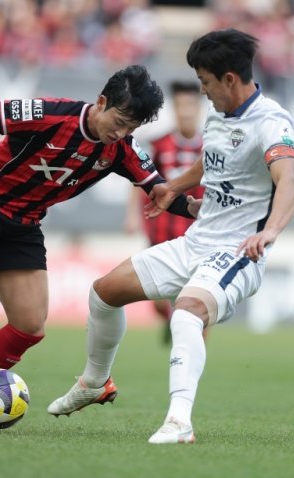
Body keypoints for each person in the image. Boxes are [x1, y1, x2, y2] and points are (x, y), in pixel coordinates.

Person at [0, 65, 198, 432]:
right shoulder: (50, 114)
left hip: (25, 222)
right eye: (120, 120)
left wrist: (194, 209)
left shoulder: (121, 148)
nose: (122, 132)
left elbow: (161, 192)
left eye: (132, 128)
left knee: (29, 326)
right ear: (102, 101)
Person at [47, 29, 294, 444]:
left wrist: (270, 231)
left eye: (205, 82)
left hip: (238, 251)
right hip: (196, 241)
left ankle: (179, 421)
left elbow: (288, 179)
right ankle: (94, 382)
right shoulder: (220, 115)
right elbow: (213, 160)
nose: (203, 91)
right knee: (104, 292)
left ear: (229, 79)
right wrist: (175, 187)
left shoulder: (271, 122)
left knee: (186, 314)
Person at [124, 80, 204, 344]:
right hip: (162, 230)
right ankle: (169, 319)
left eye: (190, 105)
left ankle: (193, 345)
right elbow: (141, 179)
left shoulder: (211, 146)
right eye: (180, 106)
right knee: (157, 300)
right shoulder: (161, 144)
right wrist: (132, 214)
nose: (186, 112)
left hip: (198, 234)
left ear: (199, 107)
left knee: (201, 295)